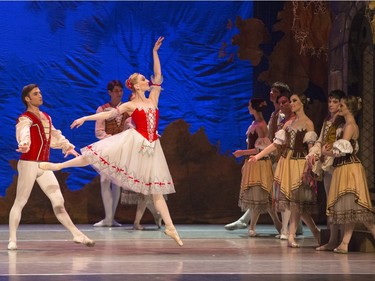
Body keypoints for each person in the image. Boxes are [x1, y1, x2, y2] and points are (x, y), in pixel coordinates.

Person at [40, 37, 183, 246]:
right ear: (135, 85)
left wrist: (155, 52)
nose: (147, 81)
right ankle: (59, 165)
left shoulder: (153, 98)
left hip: (151, 147)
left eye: (146, 79)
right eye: (143, 79)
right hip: (135, 142)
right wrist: (86, 118)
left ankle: (170, 227)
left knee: (156, 191)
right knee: (95, 153)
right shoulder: (130, 105)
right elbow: (107, 116)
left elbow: (159, 75)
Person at [8, 84, 95, 250]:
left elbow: (54, 134)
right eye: (35, 94)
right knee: (20, 201)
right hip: (29, 163)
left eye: (40, 92)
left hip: (43, 165)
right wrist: (25, 143)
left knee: (58, 201)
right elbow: (23, 132)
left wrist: (67, 146)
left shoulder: (46, 117)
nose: (40, 95)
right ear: (28, 98)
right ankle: (12, 239)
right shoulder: (25, 118)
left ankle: (76, 234)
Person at [249, 93, 321, 248]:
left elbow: (310, 147)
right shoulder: (289, 123)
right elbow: (276, 144)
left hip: (299, 163)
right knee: (293, 203)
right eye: (291, 100)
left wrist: (310, 164)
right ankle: (307, 233)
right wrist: (258, 156)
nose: (291, 103)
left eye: (295, 101)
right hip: (287, 163)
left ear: (302, 103)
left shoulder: (308, 123)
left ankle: (298, 234)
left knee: (297, 203)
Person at [94, 80, 162, 230]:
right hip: (109, 148)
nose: (119, 93)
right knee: (105, 179)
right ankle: (108, 218)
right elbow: (99, 131)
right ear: (110, 92)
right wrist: (113, 140)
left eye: (120, 90)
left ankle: (154, 213)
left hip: (125, 149)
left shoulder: (128, 108)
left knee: (122, 182)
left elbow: (137, 124)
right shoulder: (103, 109)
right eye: (116, 91)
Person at [321, 95, 375, 253]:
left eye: (342, 105)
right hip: (344, 168)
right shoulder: (345, 124)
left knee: (356, 208)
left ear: (349, 109)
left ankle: (344, 243)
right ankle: (344, 243)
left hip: (349, 167)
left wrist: (326, 152)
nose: (340, 108)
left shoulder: (350, 125)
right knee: (350, 208)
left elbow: (341, 151)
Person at [233, 98, 282, 236]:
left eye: (249, 105)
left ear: (254, 108)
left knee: (260, 195)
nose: (248, 107)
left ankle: (252, 228)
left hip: (259, 163)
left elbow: (260, 150)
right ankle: (276, 226)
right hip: (253, 163)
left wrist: (242, 152)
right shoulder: (254, 123)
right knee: (259, 197)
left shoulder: (261, 125)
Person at [307, 90, 346, 250]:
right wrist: (314, 153)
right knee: (331, 202)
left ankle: (342, 239)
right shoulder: (327, 120)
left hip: (338, 164)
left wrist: (325, 150)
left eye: (335, 102)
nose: (331, 104)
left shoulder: (343, 122)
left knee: (339, 201)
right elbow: (321, 140)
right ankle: (333, 239)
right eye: (330, 101)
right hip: (327, 164)